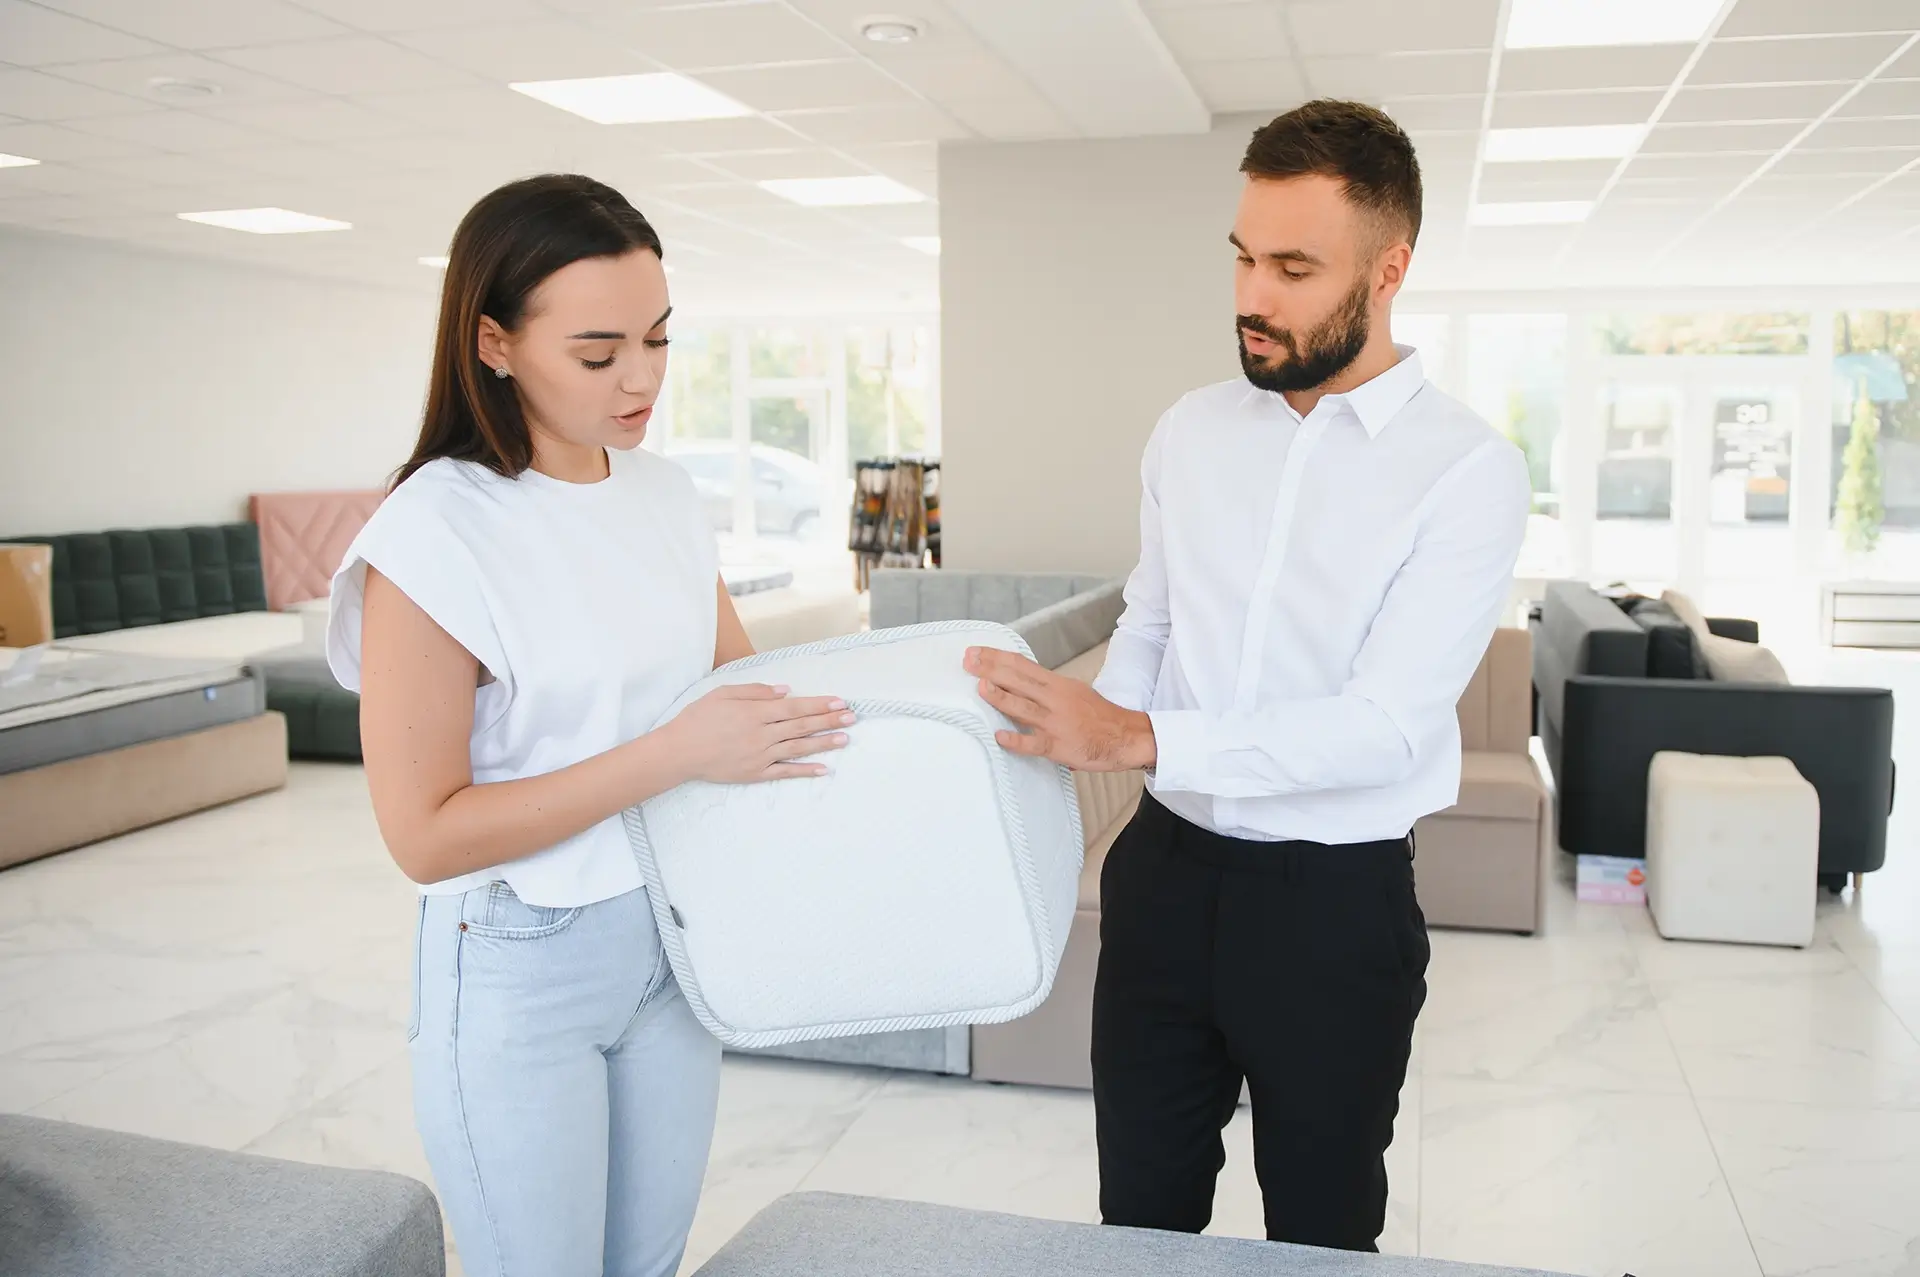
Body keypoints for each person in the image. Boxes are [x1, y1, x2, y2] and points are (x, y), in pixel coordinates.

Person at [963, 100, 1530, 1251]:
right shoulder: (1191, 430)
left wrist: (1136, 740)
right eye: (1240, 255)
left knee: (1320, 1231)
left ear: (1389, 270)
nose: (1249, 295)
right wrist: (1082, 731)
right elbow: (1154, 625)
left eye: (1292, 266)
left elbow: (1381, 726)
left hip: (1332, 906)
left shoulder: (1467, 470)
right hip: (1163, 879)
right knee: (1140, 1218)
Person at [326, 174, 854, 1277]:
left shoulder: (662, 493)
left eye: (659, 340)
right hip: (521, 960)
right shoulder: (432, 532)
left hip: (670, 941)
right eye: (599, 351)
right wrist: (670, 756)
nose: (643, 379)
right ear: (496, 342)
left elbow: (735, 688)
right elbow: (424, 832)